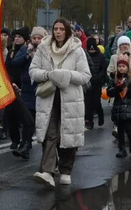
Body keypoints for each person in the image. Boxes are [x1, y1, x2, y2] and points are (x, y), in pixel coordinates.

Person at [30, 19, 91, 189]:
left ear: (67, 32)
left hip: (70, 100)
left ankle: (65, 171)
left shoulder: (77, 50)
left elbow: (85, 76)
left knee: (68, 136)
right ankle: (48, 172)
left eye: (61, 29)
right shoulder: (43, 48)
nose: (58, 32)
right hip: (48, 98)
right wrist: (49, 75)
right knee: (49, 134)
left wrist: (65, 75)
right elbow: (33, 71)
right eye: (55, 29)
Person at [9, 27, 40, 159]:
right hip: (26, 89)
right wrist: (27, 54)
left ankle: (26, 144)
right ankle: (25, 145)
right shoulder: (25, 49)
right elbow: (14, 63)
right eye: (34, 38)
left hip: (40, 90)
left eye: (39, 38)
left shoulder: (46, 49)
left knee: (32, 119)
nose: (37, 40)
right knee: (27, 118)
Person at [108, 56, 131, 157]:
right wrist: (116, 89)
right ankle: (121, 149)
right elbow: (109, 92)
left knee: (128, 128)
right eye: (119, 66)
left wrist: (130, 92)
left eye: (123, 66)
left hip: (129, 106)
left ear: (127, 67)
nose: (121, 68)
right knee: (120, 130)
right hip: (118, 106)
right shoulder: (114, 79)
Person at [84, 37, 107, 129]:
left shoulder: (101, 56)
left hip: (97, 82)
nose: (92, 50)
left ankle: (100, 114)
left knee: (96, 101)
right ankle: (89, 121)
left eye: (93, 49)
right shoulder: (85, 55)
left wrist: (99, 77)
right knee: (88, 102)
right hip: (87, 82)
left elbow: (103, 68)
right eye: (90, 49)